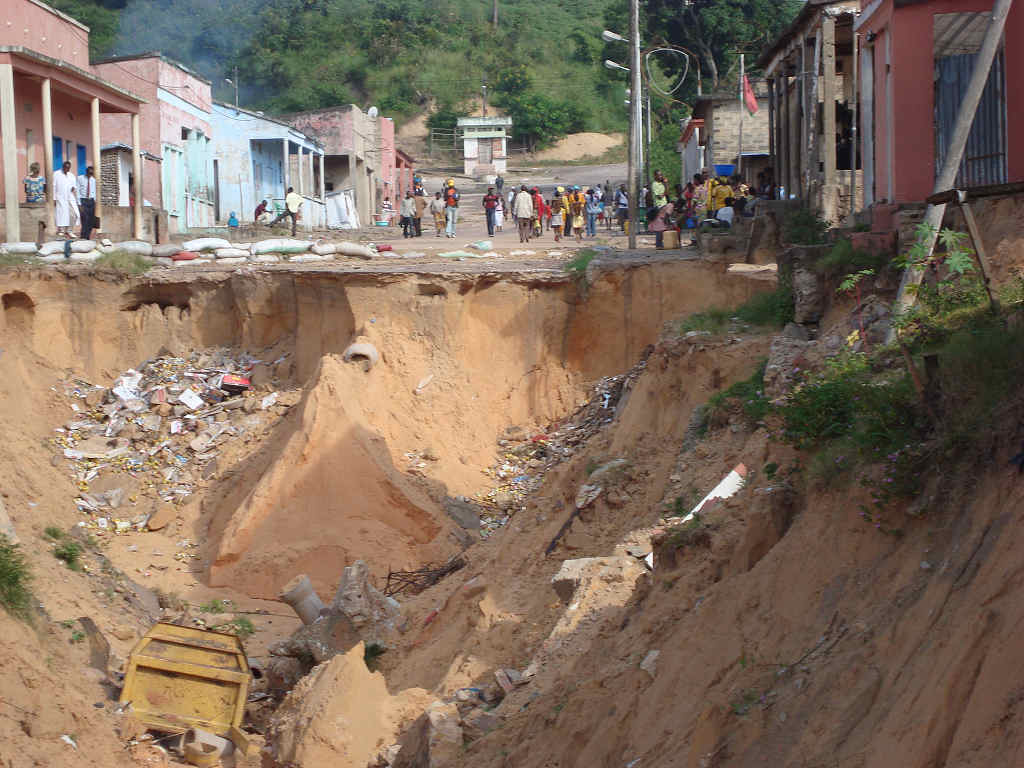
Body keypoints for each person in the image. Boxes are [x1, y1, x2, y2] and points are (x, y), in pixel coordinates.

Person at [52, 161, 79, 239]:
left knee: (74, 214)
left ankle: (70, 231)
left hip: (70, 197)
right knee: (61, 214)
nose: (67, 169)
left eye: (68, 168)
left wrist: (73, 188)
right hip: (60, 197)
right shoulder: (56, 174)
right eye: (65, 167)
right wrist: (54, 198)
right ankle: (61, 231)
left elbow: (74, 187)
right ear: (63, 166)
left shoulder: (71, 175)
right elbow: (53, 186)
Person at [76, 165, 97, 240]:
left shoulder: (93, 180)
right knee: (84, 219)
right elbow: (78, 191)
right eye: (89, 173)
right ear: (86, 172)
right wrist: (79, 204)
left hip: (91, 201)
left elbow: (94, 191)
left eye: (91, 173)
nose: (90, 175)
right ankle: (83, 236)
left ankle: (87, 236)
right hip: (83, 200)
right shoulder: (80, 178)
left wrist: (95, 201)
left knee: (91, 220)